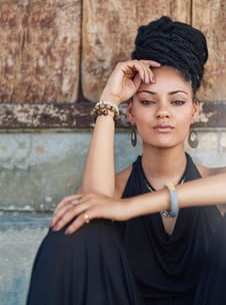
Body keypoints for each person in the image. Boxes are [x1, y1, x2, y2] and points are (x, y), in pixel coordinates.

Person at [26, 16, 226, 305]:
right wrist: (109, 102)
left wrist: (130, 207)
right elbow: (90, 209)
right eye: (147, 101)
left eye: (177, 101)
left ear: (195, 112)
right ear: (130, 113)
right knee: (79, 229)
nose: (163, 112)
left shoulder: (213, 184)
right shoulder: (114, 192)